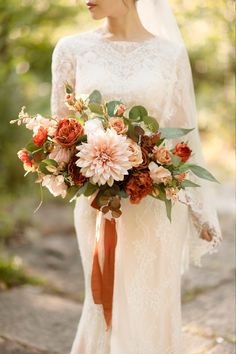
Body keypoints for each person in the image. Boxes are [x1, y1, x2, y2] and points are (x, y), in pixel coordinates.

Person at [50, 0, 223, 353]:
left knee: (150, 304)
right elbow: (61, 135)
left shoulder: (170, 54)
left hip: (153, 202)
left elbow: (181, 137)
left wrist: (198, 209)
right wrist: (74, 169)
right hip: (98, 201)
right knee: (102, 302)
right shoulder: (71, 50)